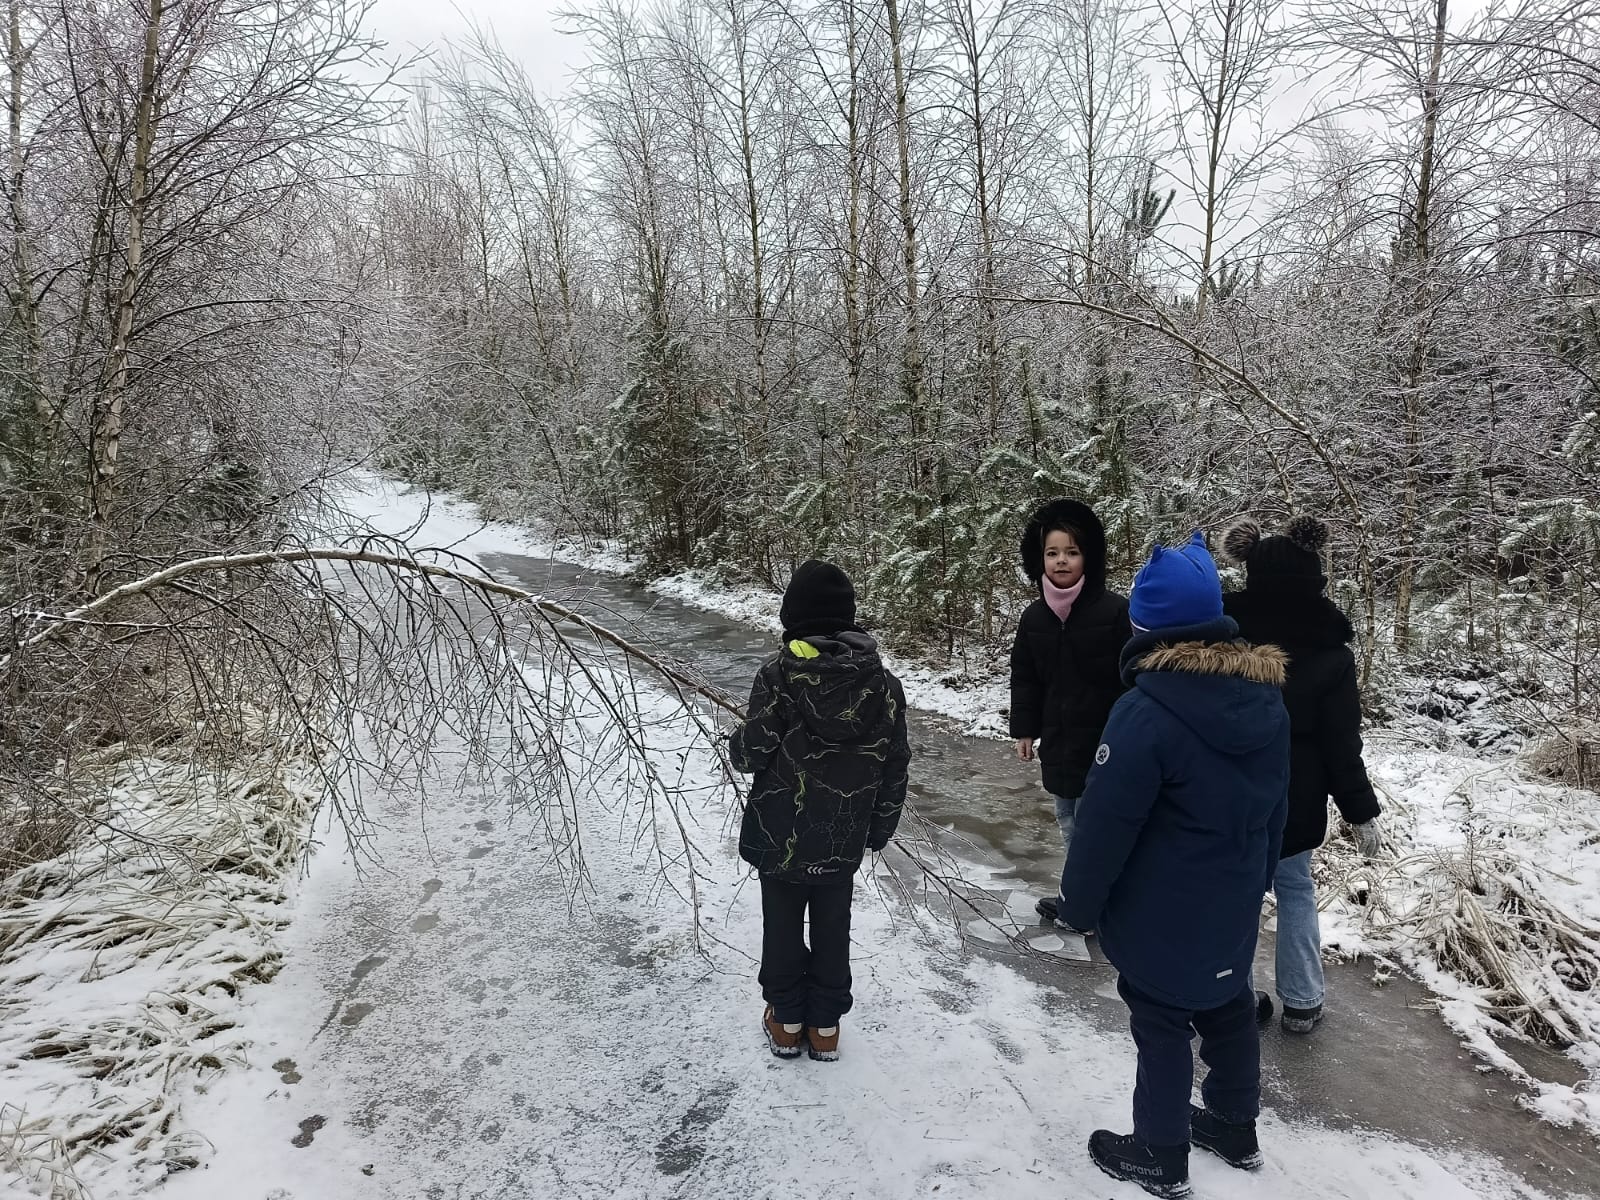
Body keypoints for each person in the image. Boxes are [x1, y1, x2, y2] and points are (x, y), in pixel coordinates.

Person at [1058, 532, 1289, 1199]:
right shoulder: (1267, 701)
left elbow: (1104, 824)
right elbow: (1276, 807)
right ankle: (1234, 1127)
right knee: (1228, 1004)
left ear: (1146, 625)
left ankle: (1159, 1153)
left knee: (1160, 1017)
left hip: (1161, 904)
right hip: (1234, 895)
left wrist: (1079, 903)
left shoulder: (1144, 711)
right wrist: (1260, 880)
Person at [728, 559, 910, 1063]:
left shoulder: (778, 676)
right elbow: (895, 764)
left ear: (792, 619)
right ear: (848, 618)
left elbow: (750, 755)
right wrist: (880, 827)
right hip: (843, 833)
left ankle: (787, 1021)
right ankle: (825, 1026)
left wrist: (737, 739)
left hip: (780, 832)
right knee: (833, 925)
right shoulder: (884, 684)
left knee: (782, 925)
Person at [1221, 516, 1384, 1035]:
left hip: (1231, 789)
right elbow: (1341, 743)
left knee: (1239, 893)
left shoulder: (1224, 638)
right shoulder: (1332, 653)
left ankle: (1234, 996)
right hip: (1298, 793)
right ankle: (1303, 1001)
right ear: (1314, 579)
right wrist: (1360, 810)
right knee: (1294, 888)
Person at [1008, 498, 1130, 929]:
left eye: (1072, 552)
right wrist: (1025, 729)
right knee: (1067, 820)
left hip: (1106, 744)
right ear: (1039, 558)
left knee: (1098, 826)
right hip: (1060, 743)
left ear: (1088, 557)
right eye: (1052, 552)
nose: (1061, 561)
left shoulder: (1114, 611)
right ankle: (1081, 899)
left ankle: (1098, 903)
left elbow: (1131, 679)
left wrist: (1128, 734)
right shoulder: (1034, 617)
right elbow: (1025, 677)